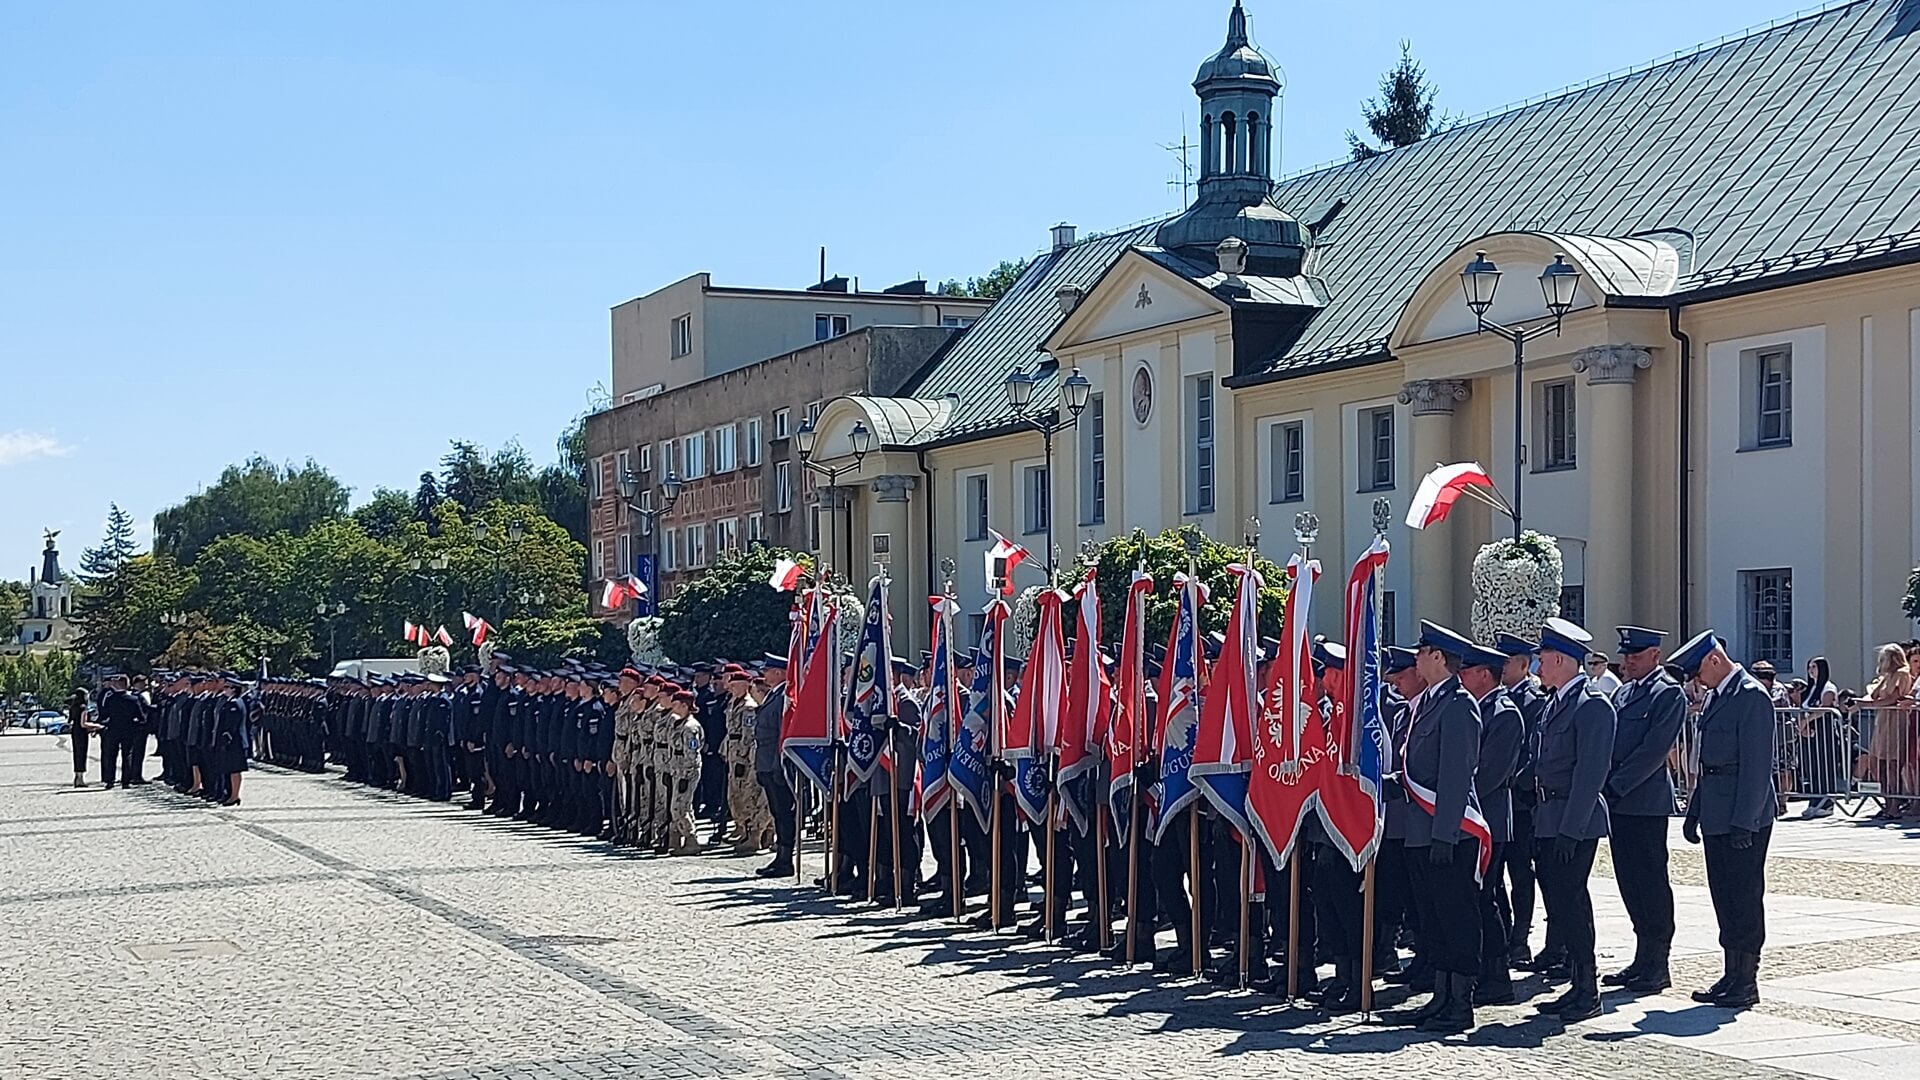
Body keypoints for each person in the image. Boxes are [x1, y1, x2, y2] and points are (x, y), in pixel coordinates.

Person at [1671, 630, 1775, 1009]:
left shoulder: (1750, 695)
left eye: (1698, 672)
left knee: (1744, 897)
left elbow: (1756, 765)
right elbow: (1709, 763)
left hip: (1742, 815)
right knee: (1724, 896)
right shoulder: (1720, 696)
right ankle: (1731, 972)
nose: (1697, 682)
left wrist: (1745, 821)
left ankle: (1746, 979)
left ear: (1714, 660)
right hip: (1717, 810)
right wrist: (1694, 809)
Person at [1394, 621, 1484, 1035]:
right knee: (1432, 920)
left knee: (1455, 918)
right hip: (1420, 830)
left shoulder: (1459, 704)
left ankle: (1460, 1002)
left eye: (1423, 651)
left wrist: (1445, 833)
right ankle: (1442, 995)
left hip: (1448, 833)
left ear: (1438, 658)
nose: (1416, 657)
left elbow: (1455, 776)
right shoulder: (1428, 702)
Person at [1531, 617, 1616, 1024]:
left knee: (1572, 900)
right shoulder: (1557, 702)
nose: (1538, 667)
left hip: (1573, 820)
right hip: (1549, 815)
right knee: (1560, 903)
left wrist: (1570, 828)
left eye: (1543, 659)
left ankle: (1588, 986)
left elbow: (1590, 773)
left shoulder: (1592, 704)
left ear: (1562, 660)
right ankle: (1576, 983)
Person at [1602, 626, 1685, 994]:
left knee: (1650, 882)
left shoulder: (1666, 694)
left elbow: (1653, 751)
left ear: (1655, 655)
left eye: (1635, 656)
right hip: (1619, 804)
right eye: (1625, 656)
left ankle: (1657, 961)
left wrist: (1616, 785)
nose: (1627, 662)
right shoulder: (1624, 693)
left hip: (1644, 802)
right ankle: (1641, 956)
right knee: (1629, 882)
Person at [1459, 643, 1521, 1006]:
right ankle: (1484, 968)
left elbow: (1489, 775)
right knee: (1478, 897)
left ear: (1484, 674)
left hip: (1490, 819)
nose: (1462, 676)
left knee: (1488, 896)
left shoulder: (1503, 713)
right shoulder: (1479, 708)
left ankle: (1497, 975)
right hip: (1473, 817)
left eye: (1467, 670)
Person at [1857, 643, 1913, 819]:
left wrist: (1869, 705)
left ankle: (1895, 804)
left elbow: (1894, 697)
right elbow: (1874, 695)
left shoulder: (1902, 673)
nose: (1882, 661)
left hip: (1895, 722)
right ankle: (1887, 802)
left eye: (1884, 658)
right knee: (1877, 763)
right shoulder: (1886, 676)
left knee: (1892, 765)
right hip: (1882, 722)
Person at [754, 656, 797, 877]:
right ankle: (780, 856)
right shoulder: (774, 695)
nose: (765, 674)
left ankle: (785, 858)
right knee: (777, 812)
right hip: (766, 763)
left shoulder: (784, 697)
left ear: (780, 673)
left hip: (775, 764)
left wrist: (777, 766)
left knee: (783, 813)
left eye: (769, 670)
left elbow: (782, 733)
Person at [1797, 657, 1843, 819]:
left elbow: (1825, 708)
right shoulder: (1810, 689)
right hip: (1809, 733)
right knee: (1812, 767)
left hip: (1824, 731)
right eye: (1809, 667)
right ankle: (1814, 800)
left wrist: (1806, 722)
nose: (1811, 670)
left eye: (1814, 667)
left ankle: (1826, 802)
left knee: (1824, 767)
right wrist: (1803, 728)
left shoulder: (1828, 688)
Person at [96, 675, 146, 789]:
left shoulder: (110, 698)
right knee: (127, 755)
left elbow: (104, 715)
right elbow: (141, 717)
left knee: (111, 756)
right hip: (128, 731)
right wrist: (135, 724)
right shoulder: (133, 699)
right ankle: (126, 781)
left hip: (113, 730)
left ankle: (110, 780)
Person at [65, 687, 97, 787]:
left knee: (76, 754)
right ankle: (80, 778)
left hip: (75, 732)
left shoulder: (73, 707)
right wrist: (96, 726)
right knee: (82, 754)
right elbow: (83, 723)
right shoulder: (83, 708)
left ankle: (77, 777)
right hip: (82, 733)